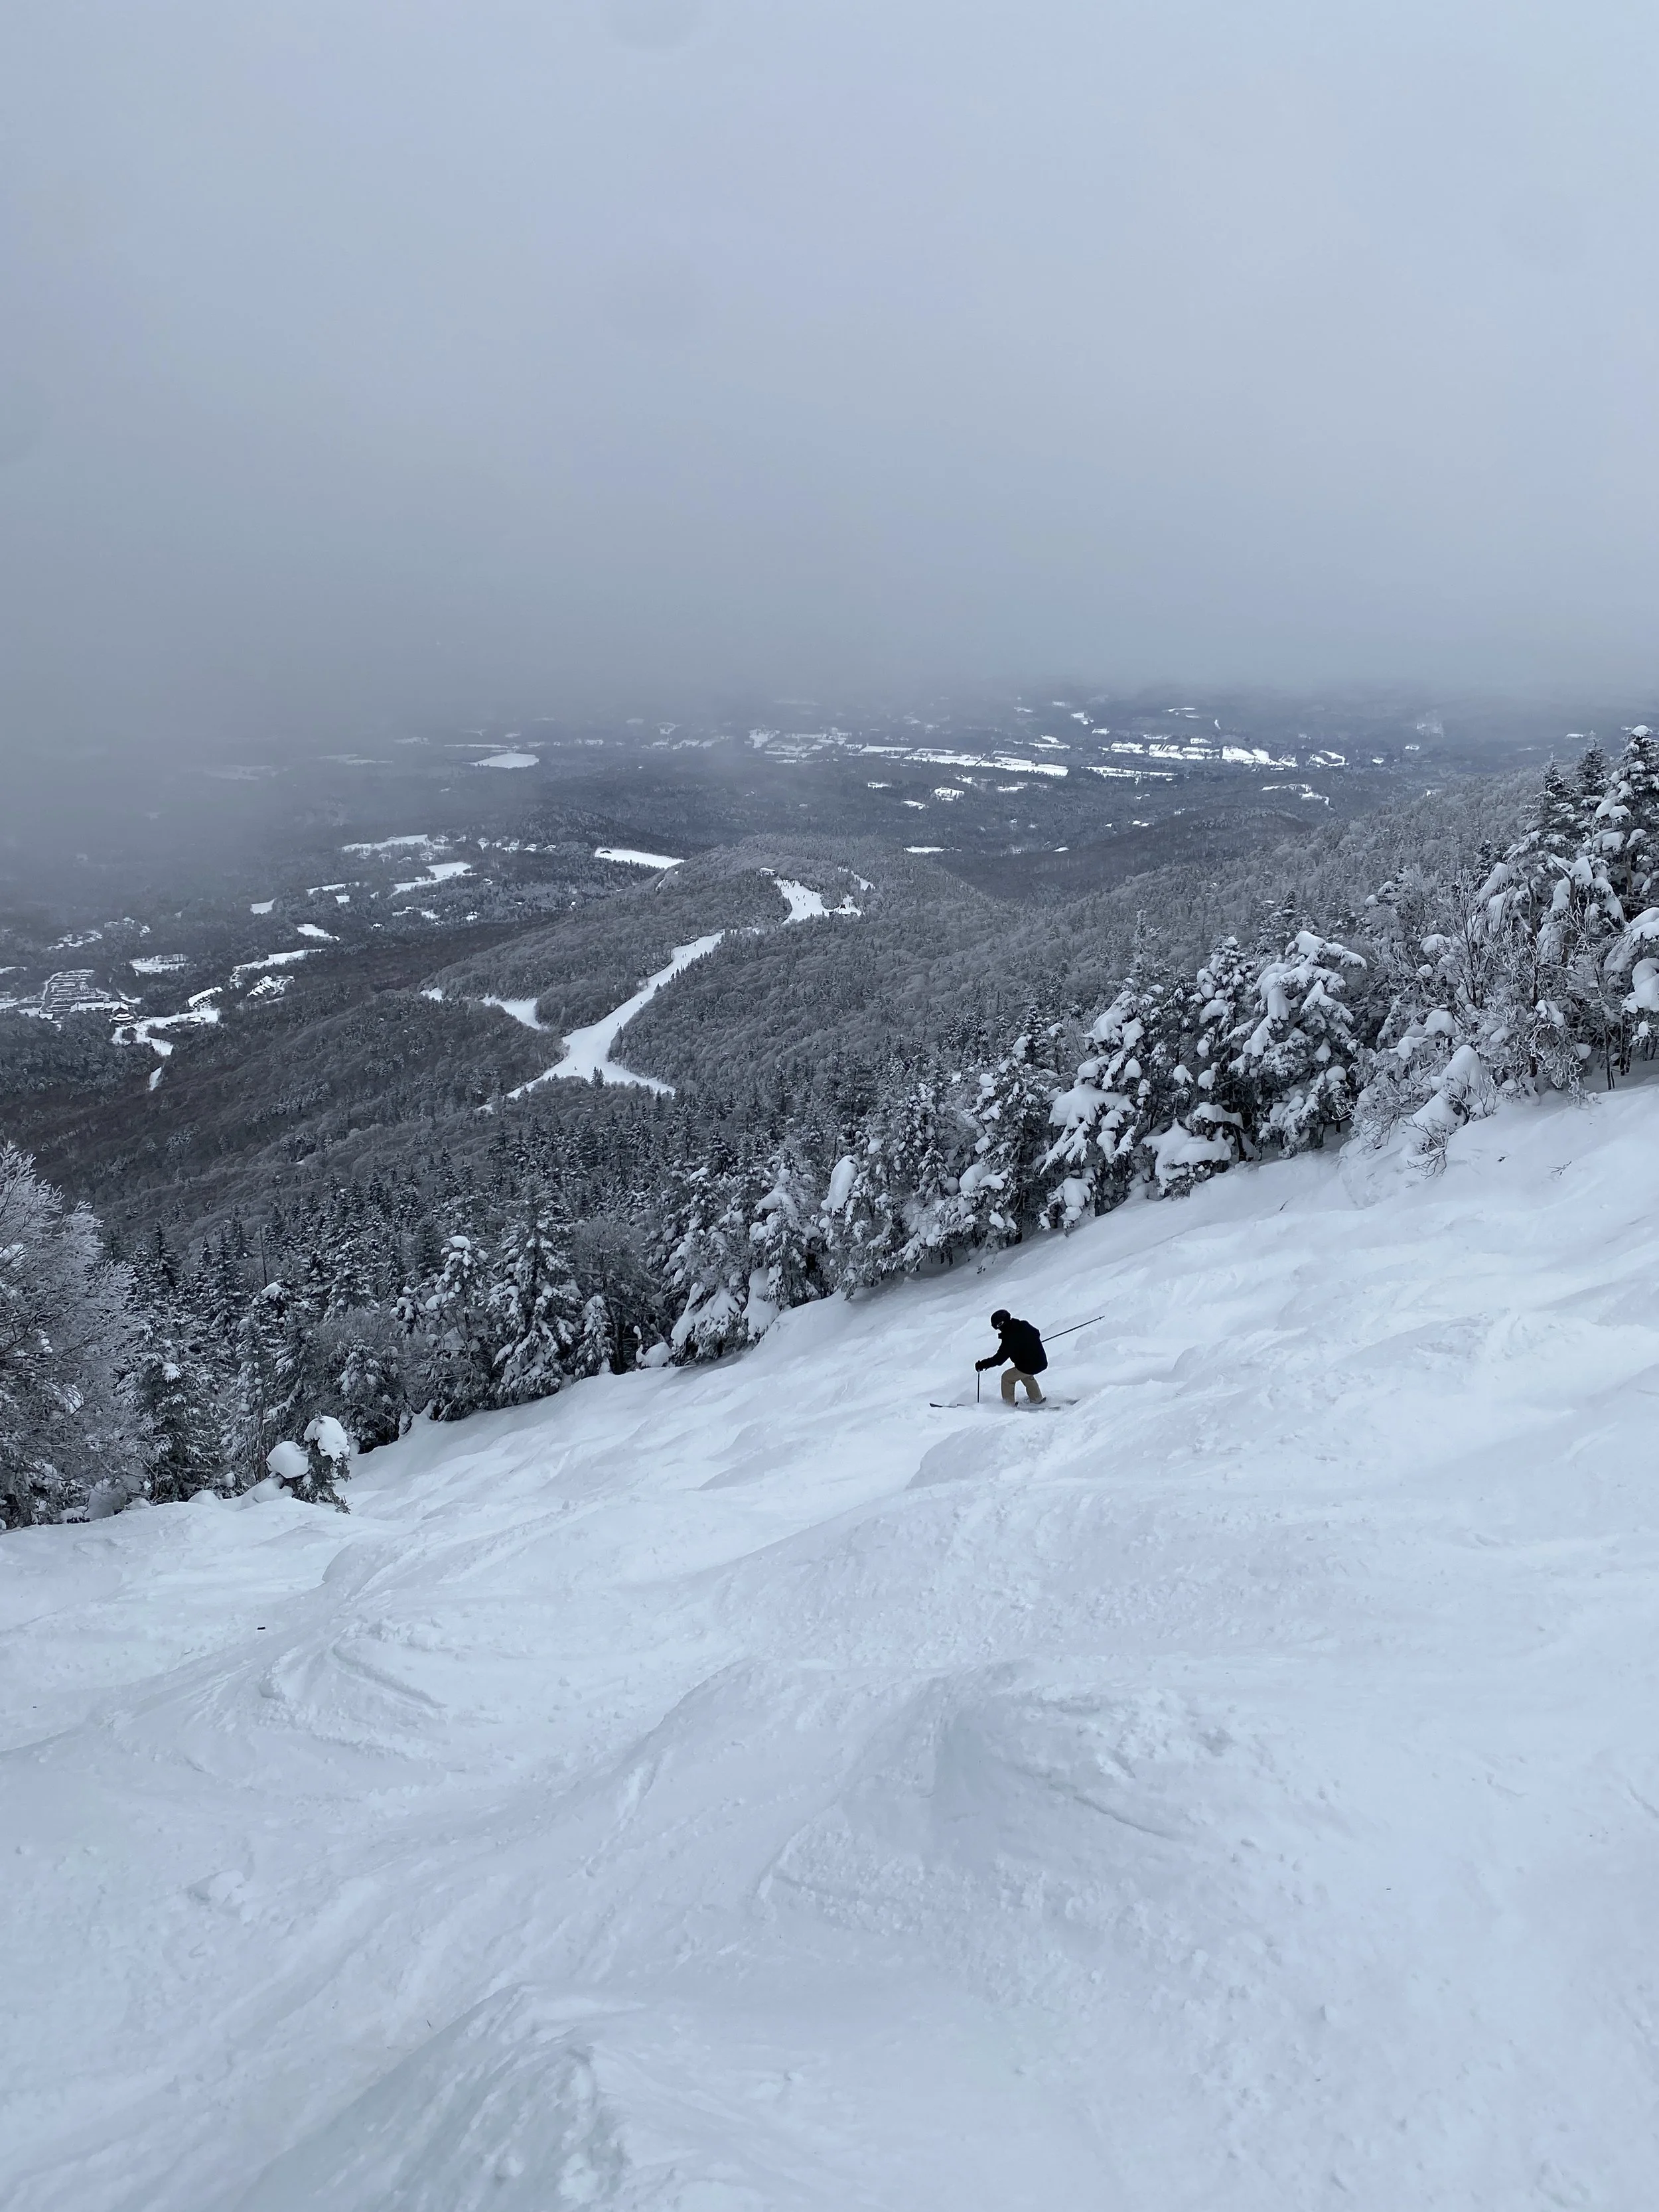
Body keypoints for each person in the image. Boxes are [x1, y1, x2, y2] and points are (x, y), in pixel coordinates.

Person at [975, 1308, 1047, 1404]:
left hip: (1029, 1365)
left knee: (1007, 1378)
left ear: (1002, 1323)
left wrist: (982, 1364)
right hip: (1041, 1361)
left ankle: (1008, 1406)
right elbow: (1036, 1333)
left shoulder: (1009, 1339)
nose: (998, 1329)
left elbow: (999, 1360)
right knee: (1025, 1374)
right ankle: (1036, 1398)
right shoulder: (1023, 1324)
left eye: (998, 1326)